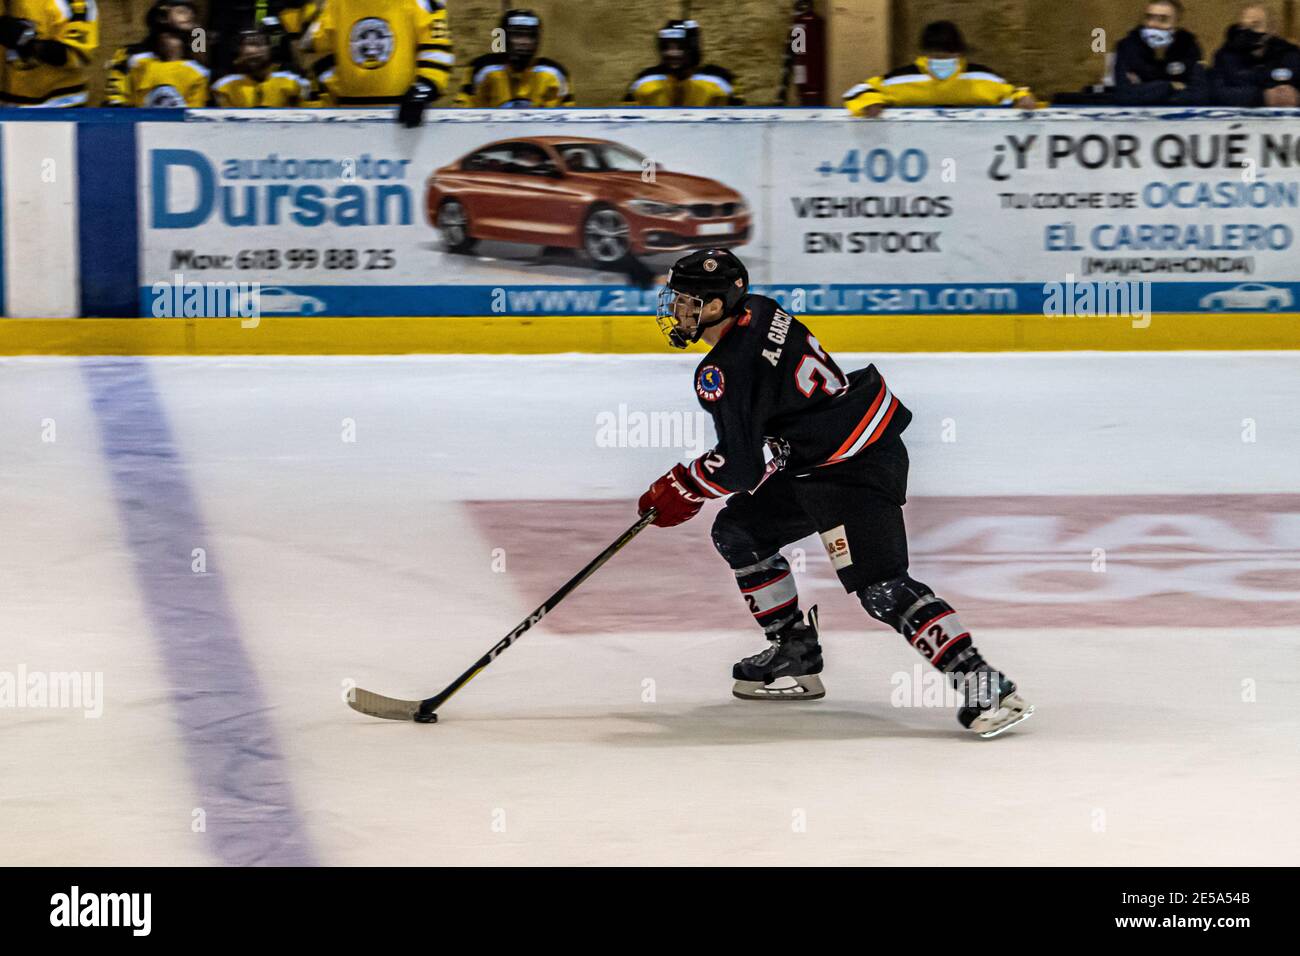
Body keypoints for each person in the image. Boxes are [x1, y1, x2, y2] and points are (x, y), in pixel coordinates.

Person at [636, 249, 1034, 738]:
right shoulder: (759, 309)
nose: (676, 311)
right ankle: (794, 651)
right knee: (741, 531)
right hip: (818, 458)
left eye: (685, 302)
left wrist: (686, 484)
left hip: (853, 466)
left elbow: (741, 466)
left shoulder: (723, 370)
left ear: (716, 306)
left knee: (883, 589)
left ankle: (984, 685)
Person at [301, 0, 455, 125]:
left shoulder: (419, 2)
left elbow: (437, 44)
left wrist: (425, 86)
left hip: (403, 116)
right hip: (349, 117)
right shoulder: (336, 3)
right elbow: (313, 43)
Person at [844, 20, 1034, 117]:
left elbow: (1011, 93)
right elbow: (860, 90)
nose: (942, 61)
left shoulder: (983, 78)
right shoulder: (902, 79)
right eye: (936, 56)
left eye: (948, 56)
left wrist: (1022, 99)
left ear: (959, 54)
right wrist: (870, 103)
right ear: (925, 54)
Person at [456, 9, 573, 107]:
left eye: (529, 36)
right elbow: (462, 116)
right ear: (503, 38)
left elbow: (567, 124)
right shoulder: (481, 70)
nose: (524, 42)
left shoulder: (555, 75)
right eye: (517, 36)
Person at [103, 1, 208, 108]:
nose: (189, 15)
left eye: (192, 13)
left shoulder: (198, 69)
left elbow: (198, 112)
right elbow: (115, 98)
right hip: (137, 121)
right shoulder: (131, 55)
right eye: (182, 11)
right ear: (162, 17)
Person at [0, 0, 98, 107]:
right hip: (5, 101)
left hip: (57, 104)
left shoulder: (74, 3)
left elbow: (77, 55)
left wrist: (27, 41)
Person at [624, 19, 742, 106]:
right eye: (666, 47)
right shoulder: (643, 82)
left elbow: (740, 126)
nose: (672, 53)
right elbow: (626, 125)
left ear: (693, 49)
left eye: (680, 47)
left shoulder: (721, 82)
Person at [1112, 0, 1209, 105]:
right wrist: (1170, 86)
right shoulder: (1128, 46)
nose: (1153, 24)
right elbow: (1124, 95)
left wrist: (1146, 89)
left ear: (1176, 24)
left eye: (1163, 19)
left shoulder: (1189, 46)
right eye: (1149, 17)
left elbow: (1200, 95)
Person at [1211, 3, 1300, 107]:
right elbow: (1216, 93)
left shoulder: (1290, 54)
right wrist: (1261, 97)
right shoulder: (1226, 55)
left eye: (1255, 26)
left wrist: (1296, 97)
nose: (1248, 32)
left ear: (1271, 30)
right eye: (1244, 26)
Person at [212, 26, 313, 107]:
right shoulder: (224, 87)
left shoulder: (293, 82)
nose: (254, 51)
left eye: (260, 44)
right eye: (247, 45)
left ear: (271, 50)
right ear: (239, 54)